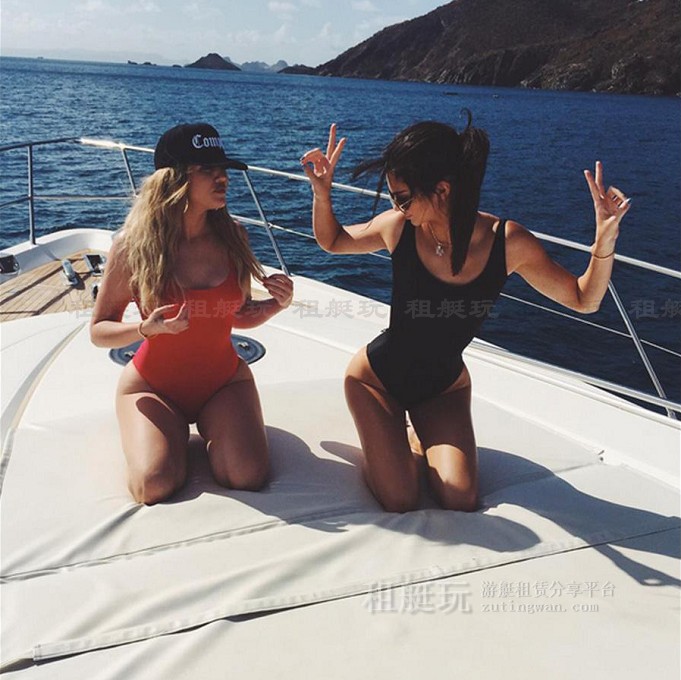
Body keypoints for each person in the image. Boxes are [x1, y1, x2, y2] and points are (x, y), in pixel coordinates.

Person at [300, 114, 630, 513]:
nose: (396, 207)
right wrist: (322, 194)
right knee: (400, 497)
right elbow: (334, 241)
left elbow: (583, 299)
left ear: (441, 189)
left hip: (444, 389)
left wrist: (604, 241)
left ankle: (412, 435)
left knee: (460, 497)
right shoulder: (398, 228)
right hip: (376, 381)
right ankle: (391, 434)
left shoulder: (507, 242)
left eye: (402, 197)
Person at [91, 122, 293, 505]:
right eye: (208, 169)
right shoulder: (132, 246)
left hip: (223, 384)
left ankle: (189, 437)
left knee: (246, 476)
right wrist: (146, 329)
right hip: (152, 386)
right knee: (153, 484)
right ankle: (165, 439)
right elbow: (99, 331)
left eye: (224, 169)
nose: (223, 177)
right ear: (175, 178)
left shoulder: (233, 237)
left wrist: (275, 304)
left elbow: (239, 315)